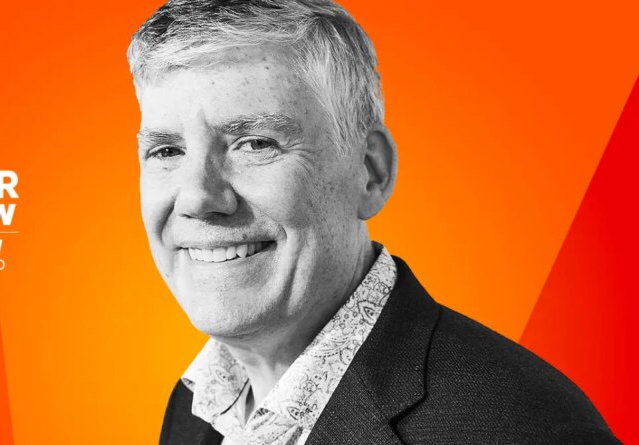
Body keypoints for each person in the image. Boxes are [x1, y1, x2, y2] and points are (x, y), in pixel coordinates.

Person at [128, 1, 619, 443]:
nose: (198, 198)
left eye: (256, 143)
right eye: (167, 150)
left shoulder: (522, 430)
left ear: (369, 172)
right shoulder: (198, 407)